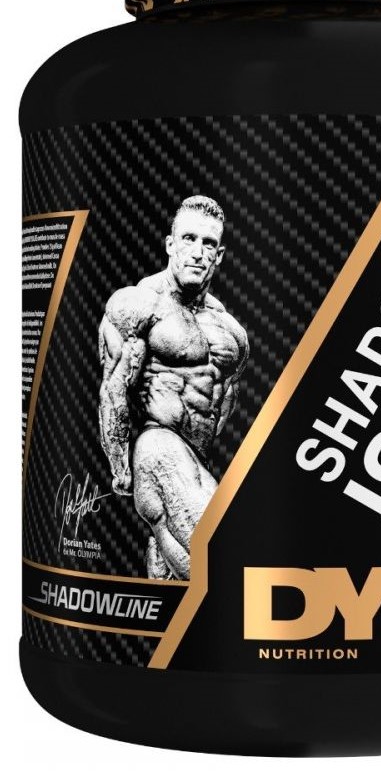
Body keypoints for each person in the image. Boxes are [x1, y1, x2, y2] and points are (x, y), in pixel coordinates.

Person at [98, 196, 249, 579]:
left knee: (182, 584)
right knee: (221, 557)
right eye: (188, 239)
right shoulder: (138, 305)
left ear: (219, 255)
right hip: (156, 446)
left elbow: (224, 399)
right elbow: (114, 390)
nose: (197, 252)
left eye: (208, 243)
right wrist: (120, 467)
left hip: (195, 459)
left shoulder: (231, 331)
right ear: (170, 244)